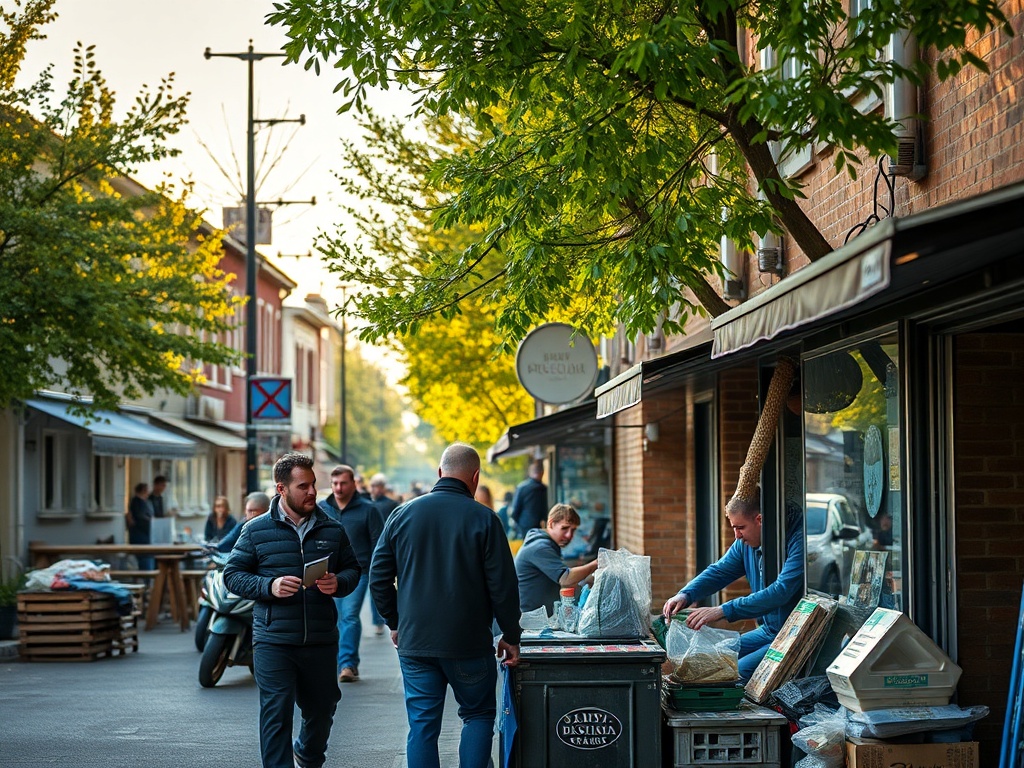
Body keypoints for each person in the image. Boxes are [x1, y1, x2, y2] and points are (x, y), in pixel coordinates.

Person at [369, 442, 521, 768]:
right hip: (469, 641)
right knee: (478, 715)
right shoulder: (486, 519)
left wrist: (395, 622)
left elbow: (378, 577)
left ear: (440, 472)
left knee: (422, 725)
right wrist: (511, 634)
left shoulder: (402, 515)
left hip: (416, 641)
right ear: (475, 477)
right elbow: (503, 587)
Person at [224, 452, 361, 768]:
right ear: (281, 489)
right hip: (273, 639)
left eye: (313, 484)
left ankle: (309, 755)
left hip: (320, 638)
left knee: (322, 707)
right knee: (277, 710)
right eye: (303, 486)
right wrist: (268, 586)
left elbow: (353, 569)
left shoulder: (332, 529)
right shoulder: (255, 530)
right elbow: (232, 575)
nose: (312, 492)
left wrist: (338, 582)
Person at [662, 489, 804, 683]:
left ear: (760, 520)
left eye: (740, 527)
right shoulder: (745, 544)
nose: (737, 536)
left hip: (793, 635)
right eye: (734, 528)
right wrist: (686, 594)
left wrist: (722, 610)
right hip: (769, 630)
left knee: (737, 672)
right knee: (715, 657)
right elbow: (719, 571)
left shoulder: (799, 539)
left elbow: (781, 592)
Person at [317, 464, 385, 683]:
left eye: (343, 483)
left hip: (358, 572)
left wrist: (377, 573)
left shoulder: (369, 510)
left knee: (349, 616)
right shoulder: (321, 508)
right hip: (326, 573)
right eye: (335, 483)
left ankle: (347, 664)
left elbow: (379, 543)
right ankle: (335, 662)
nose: (338, 488)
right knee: (333, 618)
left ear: (353, 484)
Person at [515, 503, 599, 614]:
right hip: (531, 619)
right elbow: (566, 579)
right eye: (564, 528)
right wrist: (597, 563)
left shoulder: (545, 544)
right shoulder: (540, 548)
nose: (569, 535)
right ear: (551, 524)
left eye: (573, 530)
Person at [510, 460, 548, 538]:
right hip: (539, 525)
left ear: (530, 473)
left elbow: (515, 510)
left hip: (524, 526)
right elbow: (544, 509)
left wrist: (519, 523)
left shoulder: (522, 487)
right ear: (542, 473)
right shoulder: (543, 489)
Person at [126, 482, 155, 570]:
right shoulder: (137, 502)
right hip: (140, 536)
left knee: (147, 559)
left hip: (144, 536)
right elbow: (140, 518)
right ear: (143, 491)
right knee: (145, 560)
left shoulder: (144, 502)